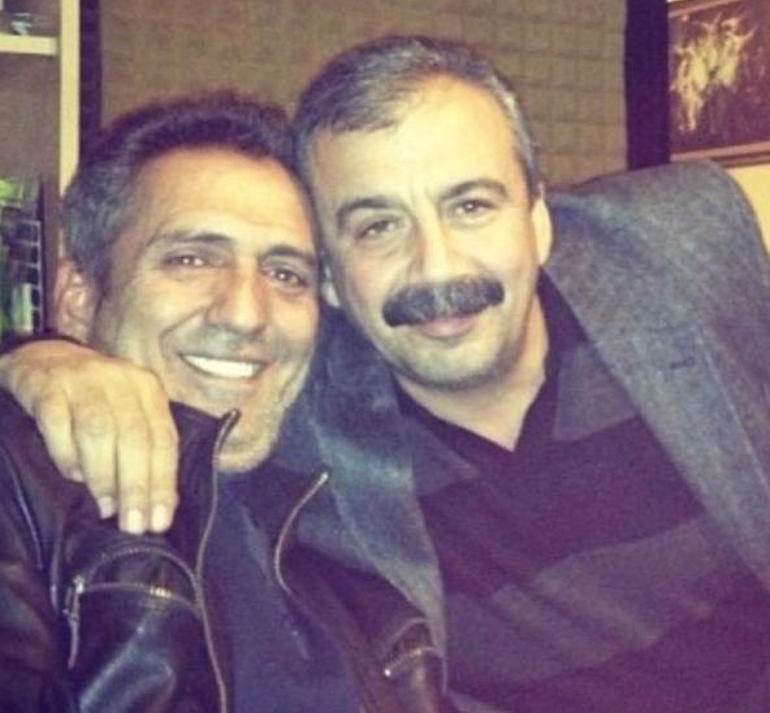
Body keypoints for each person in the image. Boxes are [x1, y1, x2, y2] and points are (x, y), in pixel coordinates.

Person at [4, 35, 770, 712]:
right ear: (335, 280)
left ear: (539, 220)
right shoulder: (299, 403)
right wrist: (34, 360)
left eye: (471, 205)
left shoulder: (679, 241)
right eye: (377, 226)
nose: (436, 268)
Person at [0, 89, 450, 713]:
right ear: (78, 298)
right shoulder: (22, 490)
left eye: (285, 273)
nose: (245, 313)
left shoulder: (345, 535)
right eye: (191, 259)